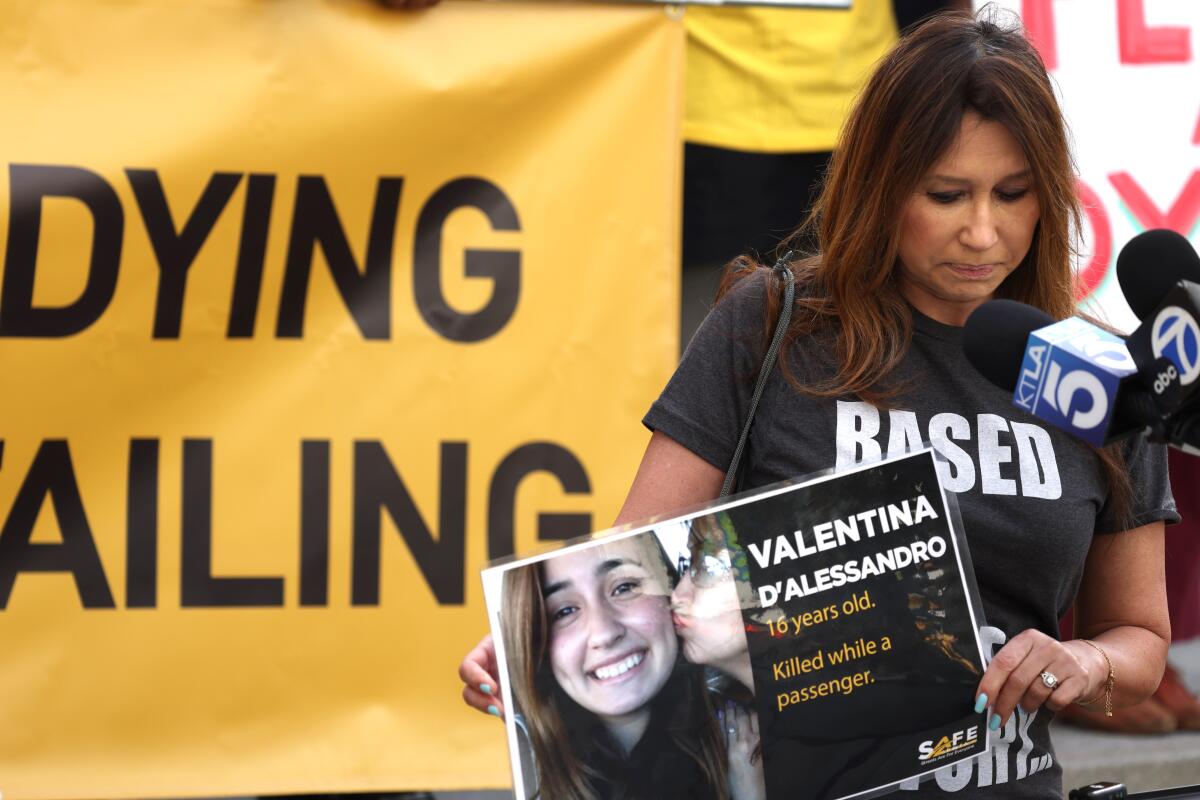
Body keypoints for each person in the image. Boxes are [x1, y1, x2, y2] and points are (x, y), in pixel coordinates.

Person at [464, 10, 1177, 797]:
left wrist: (1086, 662)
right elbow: (638, 556)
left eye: (1013, 194)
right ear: (880, 185)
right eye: (947, 195)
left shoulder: (1100, 377)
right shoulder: (768, 326)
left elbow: (1140, 641)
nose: (983, 232)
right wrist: (531, 654)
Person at [497, 531, 761, 799]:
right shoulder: (515, 774)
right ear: (533, 646)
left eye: (624, 587)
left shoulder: (760, 734)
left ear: (669, 591)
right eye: (564, 612)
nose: (604, 633)